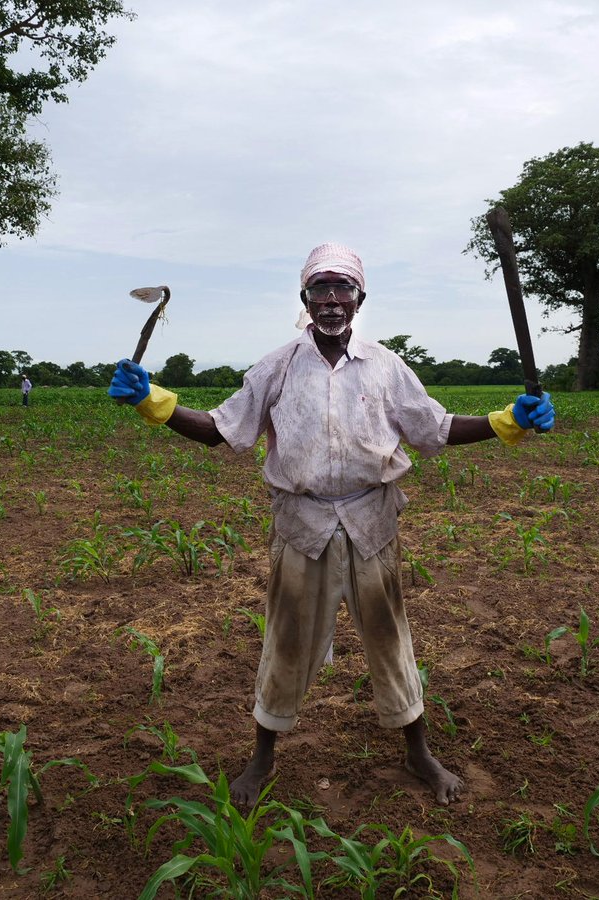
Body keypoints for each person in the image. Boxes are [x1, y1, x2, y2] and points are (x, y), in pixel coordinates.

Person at [108, 243, 554, 807]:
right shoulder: (276, 367)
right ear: (305, 299)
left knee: (390, 639)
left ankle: (418, 753)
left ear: (360, 298)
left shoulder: (387, 366)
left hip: (373, 519)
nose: (332, 300)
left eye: (343, 288)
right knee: (286, 640)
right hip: (303, 522)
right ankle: (262, 758)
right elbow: (225, 429)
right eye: (320, 289)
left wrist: (506, 421)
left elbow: (433, 429)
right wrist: (156, 402)